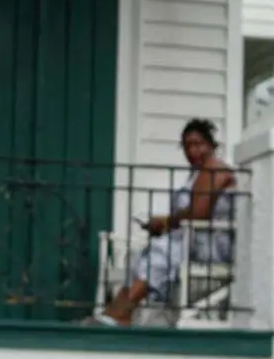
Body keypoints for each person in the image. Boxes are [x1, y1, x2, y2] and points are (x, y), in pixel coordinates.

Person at [100, 119, 235, 325]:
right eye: (187, 146)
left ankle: (121, 313)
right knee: (144, 252)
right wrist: (162, 225)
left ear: (211, 145)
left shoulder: (214, 169)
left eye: (198, 144)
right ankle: (118, 313)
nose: (192, 151)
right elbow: (188, 214)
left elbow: (199, 213)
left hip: (211, 243)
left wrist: (165, 222)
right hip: (191, 239)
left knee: (162, 251)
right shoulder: (196, 175)